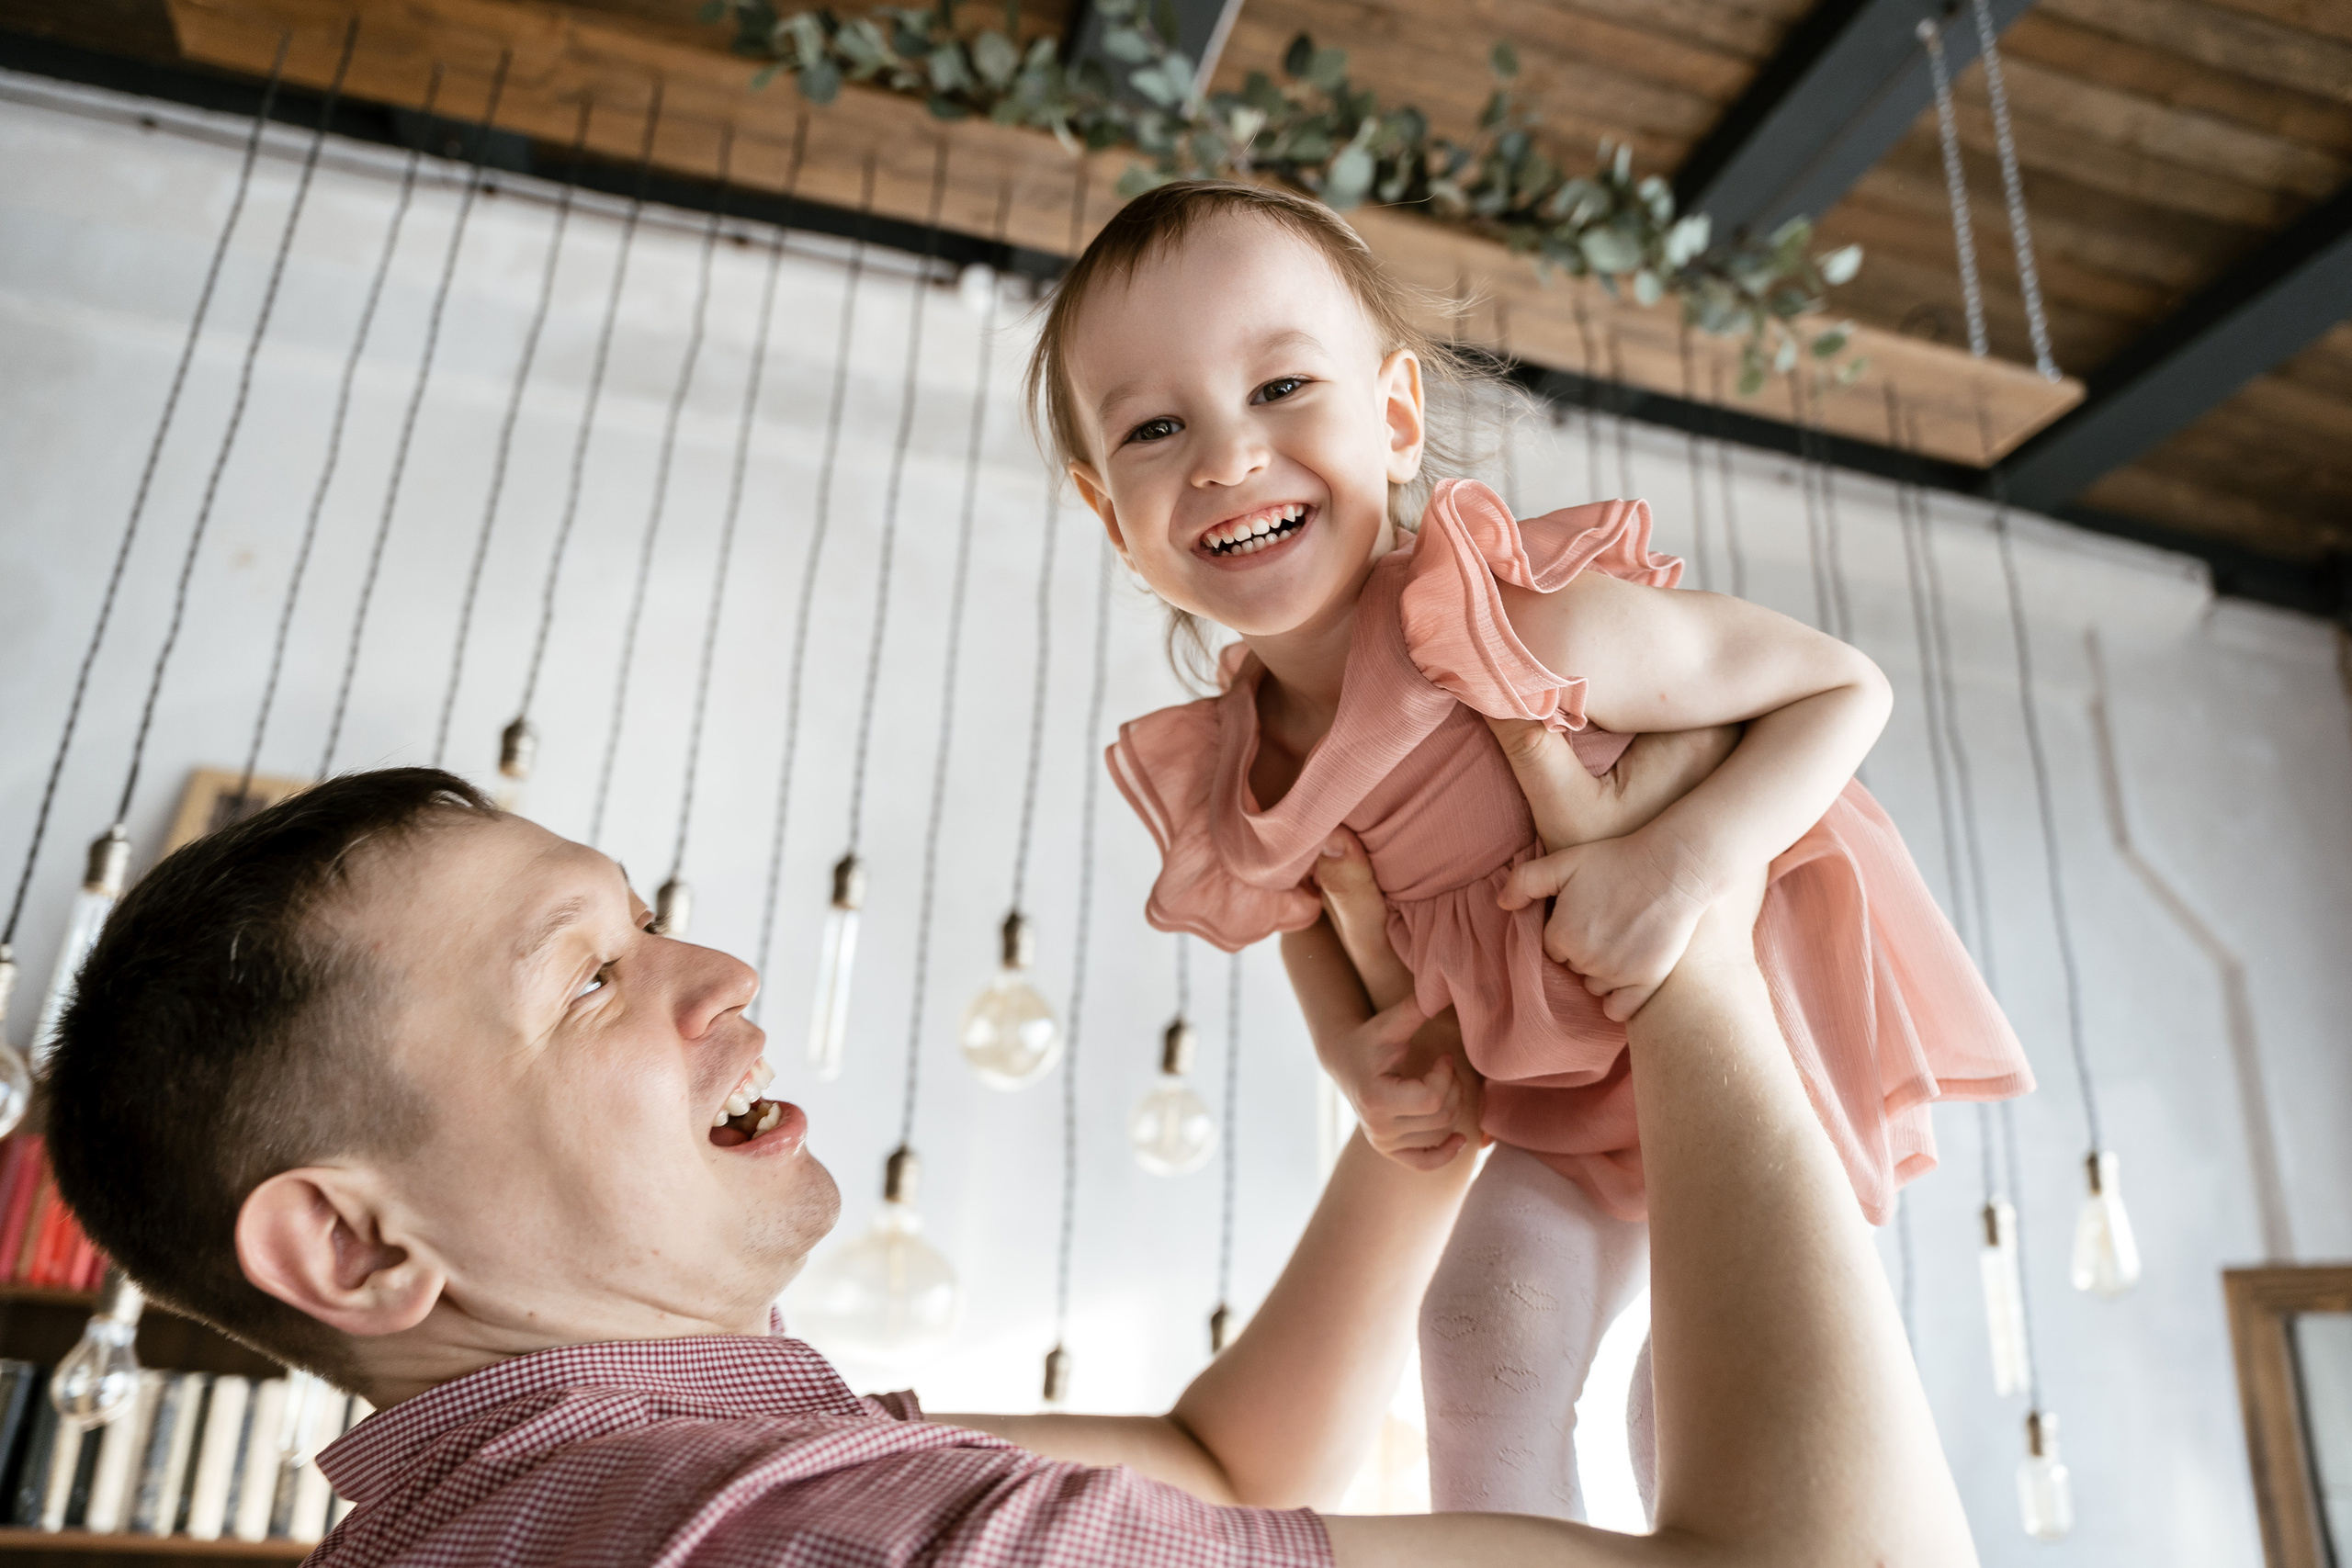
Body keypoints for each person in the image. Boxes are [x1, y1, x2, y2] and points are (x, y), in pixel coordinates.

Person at [39, 732, 1973, 1567]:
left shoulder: (563, 1506)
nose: (721, 974)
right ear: (358, 1250)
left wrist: (1414, 1120)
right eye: (593, 975)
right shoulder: (818, 1537)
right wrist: (1689, 955)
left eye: (654, 916)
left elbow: (1230, 1461)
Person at [1032, 178, 2033, 1516]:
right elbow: (1309, 925)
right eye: (1157, 427)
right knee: (1478, 1332)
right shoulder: (1238, 761)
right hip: (1554, 1093)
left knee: (1690, 1404)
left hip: (1757, 1036)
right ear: (1115, 520)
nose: (1224, 458)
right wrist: (1357, 1059)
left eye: (1280, 389)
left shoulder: (1510, 628)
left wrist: (1693, 861)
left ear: (1395, 418)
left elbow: (1841, 688)